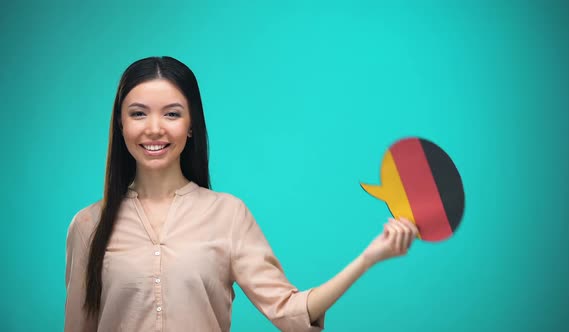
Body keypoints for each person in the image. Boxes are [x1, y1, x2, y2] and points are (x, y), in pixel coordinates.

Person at [64, 56, 419, 332]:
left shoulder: (228, 215)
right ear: (121, 124)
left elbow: (289, 312)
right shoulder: (88, 225)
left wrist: (369, 258)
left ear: (190, 127)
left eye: (172, 114)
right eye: (138, 113)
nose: (154, 128)